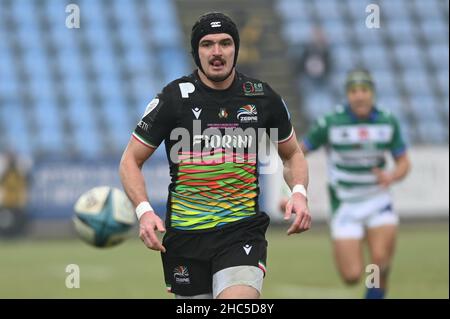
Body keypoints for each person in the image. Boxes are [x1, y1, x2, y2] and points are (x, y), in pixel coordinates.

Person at [119, 12, 311, 299]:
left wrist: (298, 191)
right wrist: (144, 212)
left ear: (236, 49)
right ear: (197, 52)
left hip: (241, 232)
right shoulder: (172, 99)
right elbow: (130, 161)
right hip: (185, 238)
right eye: (207, 44)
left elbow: (293, 154)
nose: (217, 52)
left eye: (225, 43)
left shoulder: (261, 97)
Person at [300, 68, 411, 299]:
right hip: (345, 205)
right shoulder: (330, 122)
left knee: (379, 261)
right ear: (347, 95)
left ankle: (375, 293)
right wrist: (292, 191)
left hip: (377, 200)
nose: (359, 96)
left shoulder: (387, 121)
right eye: (353, 91)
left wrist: (392, 176)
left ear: (372, 93)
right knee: (351, 276)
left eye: (364, 90)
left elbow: (403, 162)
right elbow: (297, 154)